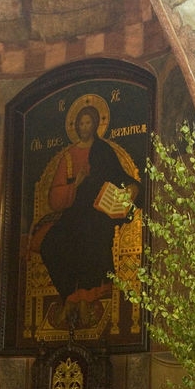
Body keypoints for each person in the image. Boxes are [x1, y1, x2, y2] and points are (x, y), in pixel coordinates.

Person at [38, 104, 141, 312]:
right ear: (75, 126)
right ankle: (69, 295)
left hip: (99, 211)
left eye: (88, 123)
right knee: (49, 243)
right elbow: (54, 197)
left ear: (95, 125)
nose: (84, 127)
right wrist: (75, 185)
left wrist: (133, 187)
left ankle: (88, 294)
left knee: (90, 235)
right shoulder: (68, 156)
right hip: (73, 212)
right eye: (81, 123)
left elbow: (119, 177)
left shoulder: (103, 150)